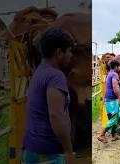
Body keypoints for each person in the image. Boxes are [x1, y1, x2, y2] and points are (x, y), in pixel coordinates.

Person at [21, 28, 75, 164]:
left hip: (32, 149)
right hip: (47, 154)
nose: (71, 55)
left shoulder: (39, 72)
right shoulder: (55, 76)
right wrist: (68, 151)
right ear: (59, 53)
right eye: (69, 51)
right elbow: (56, 115)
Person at [98, 60, 120, 143]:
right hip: (112, 99)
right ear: (116, 67)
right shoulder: (114, 74)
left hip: (109, 99)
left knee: (116, 116)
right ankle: (102, 135)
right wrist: (119, 98)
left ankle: (113, 135)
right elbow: (115, 86)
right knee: (115, 117)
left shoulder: (109, 74)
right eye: (119, 67)